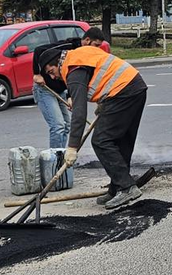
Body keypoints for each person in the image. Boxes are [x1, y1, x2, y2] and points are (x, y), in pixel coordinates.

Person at [41, 45, 148, 210]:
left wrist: (72, 147)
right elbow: (102, 74)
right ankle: (118, 187)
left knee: (101, 140)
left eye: (51, 71)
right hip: (134, 87)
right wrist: (103, 103)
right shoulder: (78, 55)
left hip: (123, 92)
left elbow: (79, 114)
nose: (53, 77)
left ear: (57, 62)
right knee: (120, 140)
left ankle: (127, 188)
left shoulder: (73, 70)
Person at [31, 27, 108, 149]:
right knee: (58, 126)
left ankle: (62, 156)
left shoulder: (86, 55)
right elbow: (38, 50)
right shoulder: (69, 46)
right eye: (96, 45)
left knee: (66, 125)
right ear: (87, 40)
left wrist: (71, 96)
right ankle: (55, 159)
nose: (97, 49)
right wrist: (37, 74)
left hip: (61, 90)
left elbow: (74, 79)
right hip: (45, 89)